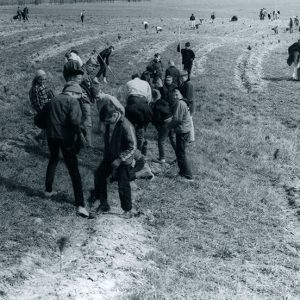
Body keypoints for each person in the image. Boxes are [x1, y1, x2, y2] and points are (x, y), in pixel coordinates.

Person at [38, 82, 89, 218]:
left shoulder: (51, 101)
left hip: (51, 136)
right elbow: (74, 121)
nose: (79, 99)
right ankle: (80, 205)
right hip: (66, 138)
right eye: (79, 96)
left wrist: (48, 126)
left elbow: (38, 120)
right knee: (74, 170)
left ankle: (48, 191)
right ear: (73, 93)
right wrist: (78, 135)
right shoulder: (72, 101)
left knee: (53, 160)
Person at [93, 102, 137, 218]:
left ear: (115, 115)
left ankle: (127, 210)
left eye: (108, 121)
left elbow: (132, 147)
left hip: (123, 160)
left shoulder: (127, 126)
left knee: (123, 184)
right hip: (110, 157)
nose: (106, 123)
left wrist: (119, 159)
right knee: (99, 175)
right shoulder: (109, 123)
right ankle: (103, 204)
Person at [169, 89, 193, 181]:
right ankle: (182, 172)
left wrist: (169, 127)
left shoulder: (180, 103)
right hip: (184, 130)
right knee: (180, 152)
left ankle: (188, 175)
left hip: (182, 131)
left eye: (177, 94)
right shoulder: (183, 103)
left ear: (181, 95)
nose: (175, 96)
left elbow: (177, 119)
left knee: (181, 153)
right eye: (173, 95)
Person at [29, 70, 55, 145]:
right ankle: (44, 142)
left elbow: (48, 96)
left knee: (49, 124)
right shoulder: (35, 88)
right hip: (42, 110)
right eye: (41, 79)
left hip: (48, 108)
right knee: (48, 124)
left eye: (44, 79)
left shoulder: (43, 86)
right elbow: (36, 102)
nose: (43, 81)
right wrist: (41, 112)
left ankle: (40, 138)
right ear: (37, 79)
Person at [151, 89, 175, 163]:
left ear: (152, 97)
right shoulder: (164, 101)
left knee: (161, 141)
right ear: (159, 95)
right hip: (172, 120)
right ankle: (179, 155)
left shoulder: (156, 106)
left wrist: (158, 128)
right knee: (172, 139)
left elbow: (157, 119)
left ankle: (162, 158)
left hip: (165, 124)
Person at [178, 70, 195, 142]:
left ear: (186, 76)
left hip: (189, 106)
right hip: (186, 105)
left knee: (190, 122)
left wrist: (181, 99)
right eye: (180, 77)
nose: (181, 79)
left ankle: (191, 138)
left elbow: (189, 98)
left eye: (182, 77)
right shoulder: (185, 83)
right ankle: (188, 137)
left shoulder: (189, 84)